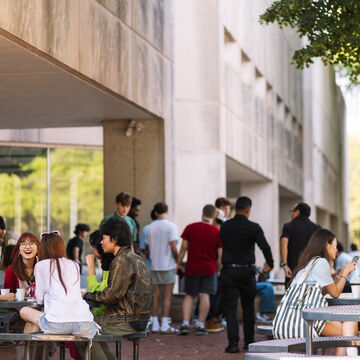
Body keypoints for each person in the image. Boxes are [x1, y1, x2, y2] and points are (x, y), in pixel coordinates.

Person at [83, 218, 152, 360]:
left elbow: (111, 296)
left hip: (127, 320)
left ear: (114, 239)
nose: (101, 242)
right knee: (87, 325)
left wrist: (87, 296)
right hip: (138, 318)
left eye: (103, 238)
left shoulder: (121, 260)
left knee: (82, 329)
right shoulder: (135, 257)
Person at [288, 229, 357, 356]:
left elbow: (325, 290)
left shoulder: (308, 263)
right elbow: (335, 294)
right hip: (306, 320)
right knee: (348, 331)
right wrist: (346, 273)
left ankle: (351, 355)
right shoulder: (321, 262)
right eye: (335, 246)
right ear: (327, 244)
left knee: (348, 325)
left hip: (297, 316)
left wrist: (341, 273)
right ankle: (352, 356)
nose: (336, 250)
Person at [19, 231, 97, 343]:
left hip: (56, 324)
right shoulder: (74, 265)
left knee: (24, 310)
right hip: (85, 323)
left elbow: (40, 299)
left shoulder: (41, 265)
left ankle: (30, 353)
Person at [220, 196, 274, 353]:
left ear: (236, 208)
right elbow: (265, 246)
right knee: (248, 307)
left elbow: (222, 244)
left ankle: (233, 343)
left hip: (229, 270)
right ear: (248, 210)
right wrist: (270, 264)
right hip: (247, 271)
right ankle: (249, 341)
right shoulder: (253, 227)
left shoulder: (225, 226)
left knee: (230, 308)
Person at [177, 204, 222, 336]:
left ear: (202, 213)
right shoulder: (216, 232)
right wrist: (218, 268)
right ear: (214, 217)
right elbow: (220, 254)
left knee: (189, 295)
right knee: (205, 295)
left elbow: (183, 248)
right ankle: (201, 325)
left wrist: (178, 263)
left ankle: (185, 323)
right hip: (210, 268)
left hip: (192, 267)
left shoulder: (190, 227)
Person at [146, 202, 179, 334]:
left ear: (155, 212)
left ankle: (155, 323)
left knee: (156, 295)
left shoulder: (150, 228)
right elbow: (173, 246)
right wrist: (178, 260)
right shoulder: (171, 226)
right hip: (168, 264)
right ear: (167, 211)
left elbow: (148, 247)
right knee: (167, 296)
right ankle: (165, 323)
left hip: (154, 265)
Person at [280, 202, 320, 287]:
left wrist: (284, 265)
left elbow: (284, 244)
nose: (291, 213)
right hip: (311, 270)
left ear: (297, 212)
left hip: (293, 270)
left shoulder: (289, 226)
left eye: (292, 211)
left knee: (291, 296)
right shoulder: (316, 228)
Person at [85, 230, 114, 315]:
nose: (93, 250)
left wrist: (91, 266)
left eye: (94, 247)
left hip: (111, 317)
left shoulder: (113, 263)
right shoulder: (107, 263)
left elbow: (97, 294)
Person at [4, 232, 40, 297]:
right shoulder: (11, 270)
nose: (27, 247)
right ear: (19, 250)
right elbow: (8, 297)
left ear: (37, 249)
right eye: (23, 244)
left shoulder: (43, 268)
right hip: (18, 307)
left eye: (31, 244)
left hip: (41, 307)